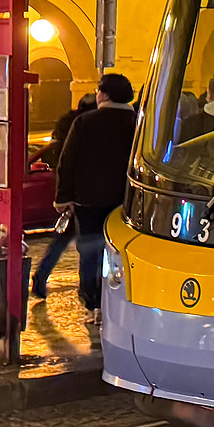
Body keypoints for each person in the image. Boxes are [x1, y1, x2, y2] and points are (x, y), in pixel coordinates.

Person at [54, 72, 137, 330]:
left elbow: (67, 161)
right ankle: (116, 302)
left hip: (88, 200)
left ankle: (92, 304)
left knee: (90, 251)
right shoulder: (138, 123)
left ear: (105, 94)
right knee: (121, 253)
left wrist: (63, 197)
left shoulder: (85, 122)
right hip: (124, 203)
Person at [32, 93, 96, 298]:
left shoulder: (67, 123)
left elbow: (59, 157)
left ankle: (41, 276)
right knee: (89, 245)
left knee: (61, 239)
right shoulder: (89, 126)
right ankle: (87, 289)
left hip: (70, 192)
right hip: (86, 195)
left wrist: (63, 195)